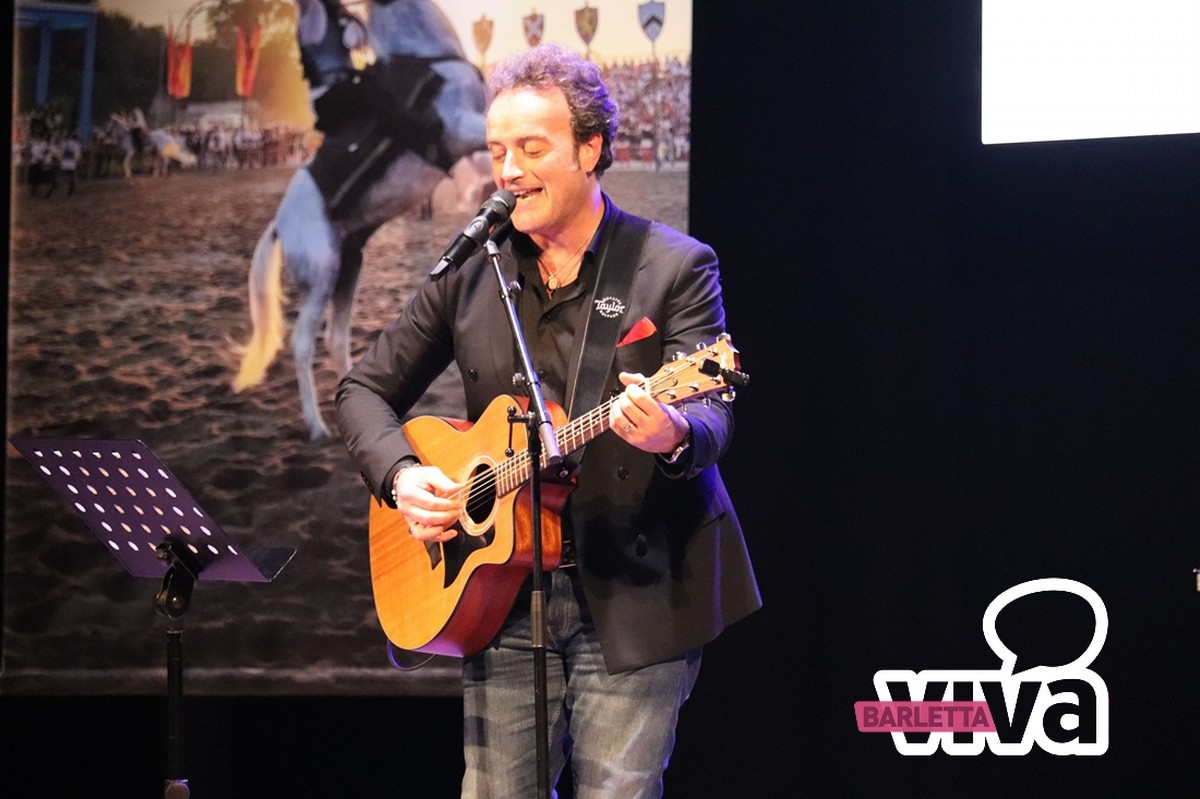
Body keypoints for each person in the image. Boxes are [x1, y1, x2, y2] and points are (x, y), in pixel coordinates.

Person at [335, 43, 760, 798]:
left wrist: (672, 432)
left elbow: (712, 413)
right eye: (498, 150)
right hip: (497, 588)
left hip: (637, 588)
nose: (508, 170)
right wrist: (402, 478)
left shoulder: (674, 265)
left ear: (590, 150)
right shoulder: (474, 270)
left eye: (532, 148)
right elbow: (363, 388)